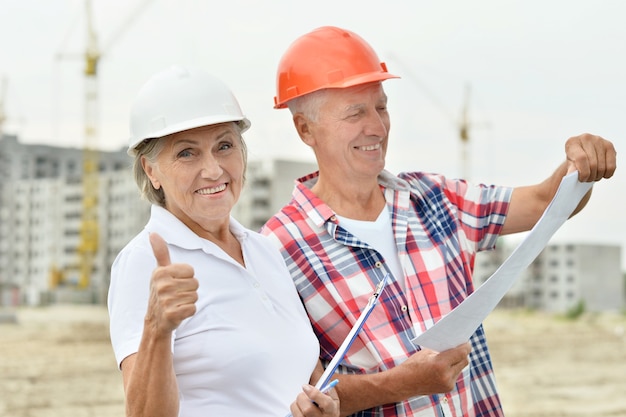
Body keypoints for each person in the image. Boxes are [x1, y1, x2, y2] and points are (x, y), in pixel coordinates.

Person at [260, 26, 617, 417]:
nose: (377, 127)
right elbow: (298, 393)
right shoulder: (277, 248)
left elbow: (545, 202)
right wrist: (401, 384)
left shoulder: (435, 198)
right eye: (355, 113)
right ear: (305, 129)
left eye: (381, 106)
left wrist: (579, 165)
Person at [107, 65, 339, 417]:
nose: (214, 170)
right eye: (187, 153)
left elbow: (295, 379)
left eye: (224, 146)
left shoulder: (264, 251)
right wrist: (157, 327)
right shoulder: (144, 262)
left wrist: (322, 407)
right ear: (151, 170)